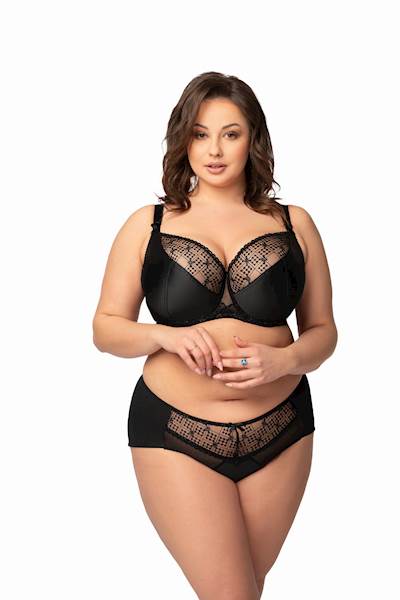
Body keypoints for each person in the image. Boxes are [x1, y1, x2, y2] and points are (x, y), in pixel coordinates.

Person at [92, 71, 338, 600]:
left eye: (231, 133)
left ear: (254, 140)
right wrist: (165, 337)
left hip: (283, 429)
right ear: (183, 139)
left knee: (247, 589)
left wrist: (285, 360)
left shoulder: (294, 223)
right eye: (200, 134)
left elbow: (323, 332)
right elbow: (105, 329)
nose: (215, 150)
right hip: (174, 430)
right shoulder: (148, 224)